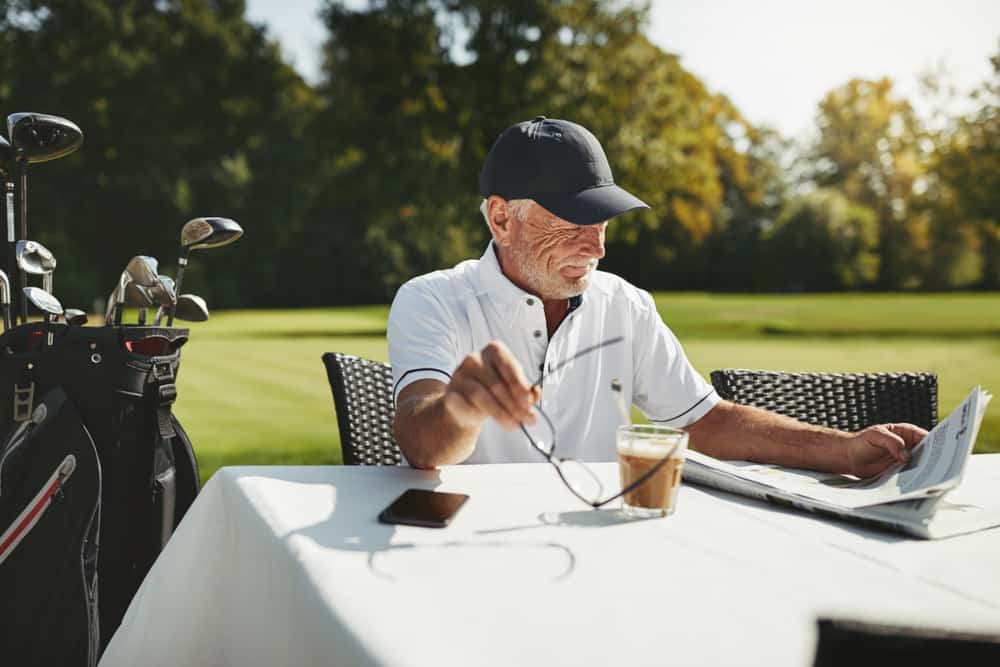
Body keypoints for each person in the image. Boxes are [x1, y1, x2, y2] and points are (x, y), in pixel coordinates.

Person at [387, 116, 926, 474]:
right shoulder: (432, 300)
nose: (596, 245)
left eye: (603, 221)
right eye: (574, 220)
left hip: (600, 546)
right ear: (502, 218)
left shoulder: (626, 304)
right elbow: (422, 444)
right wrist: (459, 406)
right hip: (470, 558)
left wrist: (846, 448)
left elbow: (707, 421)